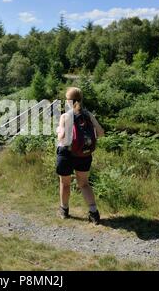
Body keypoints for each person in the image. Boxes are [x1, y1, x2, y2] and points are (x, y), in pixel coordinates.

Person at [56, 87, 105, 225]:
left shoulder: (65, 116)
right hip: (84, 155)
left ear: (69, 101)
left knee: (65, 183)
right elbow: (101, 133)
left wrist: (59, 129)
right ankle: (94, 213)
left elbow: (61, 137)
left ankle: (64, 211)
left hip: (66, 153)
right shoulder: (88, 115)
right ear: (81, 100)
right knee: (84, 184)